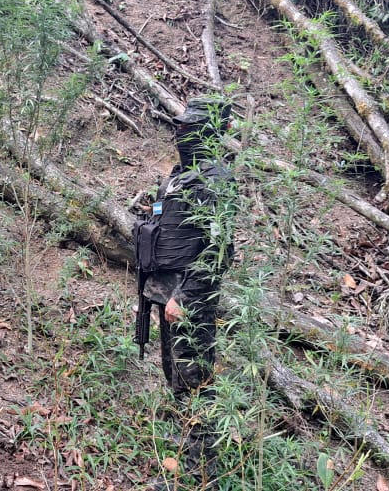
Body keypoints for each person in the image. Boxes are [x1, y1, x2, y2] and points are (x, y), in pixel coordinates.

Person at [134, 96, 235, 489]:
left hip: (187, 300)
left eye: (189, 128)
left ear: (212, 132)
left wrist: (186, 298)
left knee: (196, 382)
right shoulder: (177, 177)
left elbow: (220, 249)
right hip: (163, 293)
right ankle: (188, 471)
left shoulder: (216, 178)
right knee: (177, 380)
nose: (181, 134)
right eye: (179, 127)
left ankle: (199, 477)